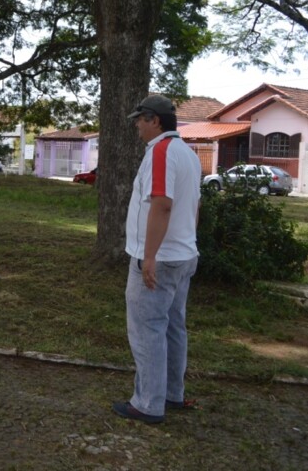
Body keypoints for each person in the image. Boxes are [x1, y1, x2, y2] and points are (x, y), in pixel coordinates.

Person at [113, 95, 201, 424]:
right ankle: (171, 393)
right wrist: (187, 243)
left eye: (140, 119)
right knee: (173, 326)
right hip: (183, 255)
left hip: (159, 259)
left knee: (147, 328)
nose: (136, 125)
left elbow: (161, 204)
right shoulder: (189, 154)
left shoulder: (161, 152)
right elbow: (194, 206)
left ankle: (148, 403)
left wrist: (149, 256)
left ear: (155, 121)